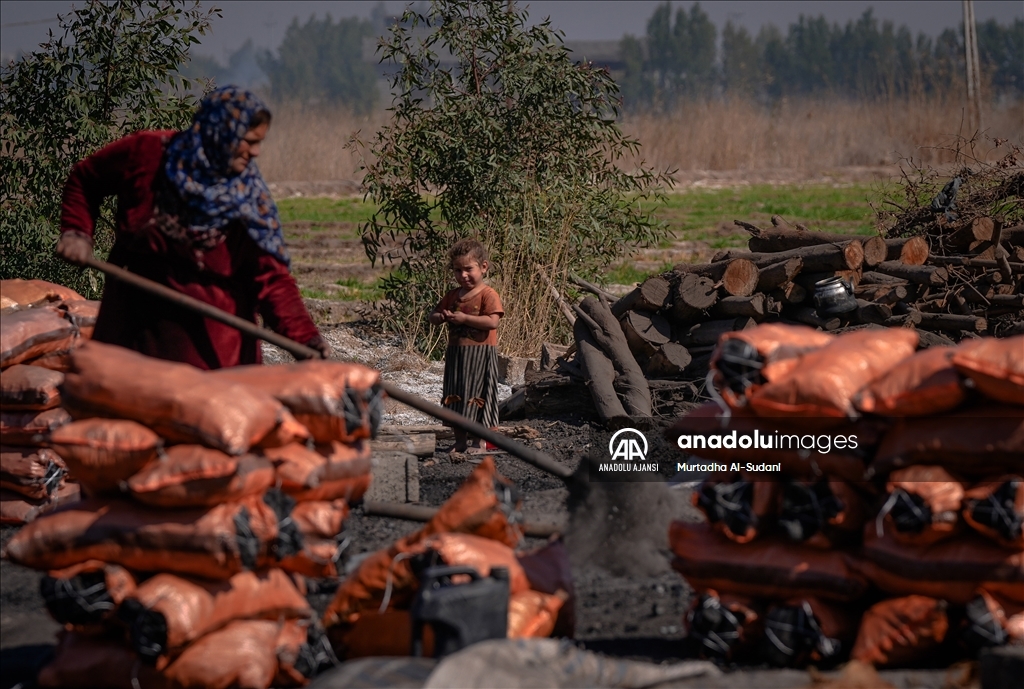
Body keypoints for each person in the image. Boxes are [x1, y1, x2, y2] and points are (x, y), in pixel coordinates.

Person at [55, 86, 328, 369]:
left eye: (259, 142)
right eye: (248, 141)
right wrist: (77, 232)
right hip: (129, 331)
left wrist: (306, 340)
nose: (256, 152)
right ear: (218, 133)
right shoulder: (147, 154)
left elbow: (273, 282)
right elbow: (85, 179)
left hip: (209, 356)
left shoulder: (250, 205)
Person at [428, 239, 504, 453]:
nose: (463, 275)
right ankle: (460, 441)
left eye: (468, 269)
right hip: (456, 354)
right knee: (455, 395)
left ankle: (478, 442)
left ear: (484, 267)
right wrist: (442, 316)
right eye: (457, 270)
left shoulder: (488, 294)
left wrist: (464, 319)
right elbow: (432, 316)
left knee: (478, 396)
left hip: (481, 353)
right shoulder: (453, 295)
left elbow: (492, 322)